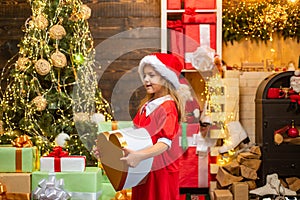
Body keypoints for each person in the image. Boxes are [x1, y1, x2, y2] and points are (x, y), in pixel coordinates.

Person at [119, 53, 186, 200]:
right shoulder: (147, 105)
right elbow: (134, 133)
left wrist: (140, 155)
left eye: (151, 75)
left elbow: (164, 143)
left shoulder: (168, 107)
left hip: (160, 173)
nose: (146, 79)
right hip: (144, 169)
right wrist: (109, 148)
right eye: (144, 75)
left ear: (165, 78)